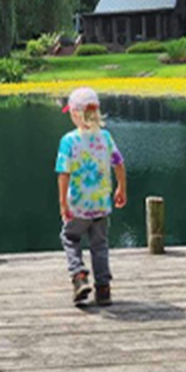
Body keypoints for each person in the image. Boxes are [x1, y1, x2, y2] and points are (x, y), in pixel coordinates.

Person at [55, 86, 127, 306]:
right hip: (101, 205)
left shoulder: (69, 140)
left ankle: (79, 276)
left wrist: (62, 203)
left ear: (76, 114)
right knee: (100, 245)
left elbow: (64, 173)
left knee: (70, 238)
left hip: (78, 205)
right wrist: (121, 188)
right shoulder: (105, 137)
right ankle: (103, 289)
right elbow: (119, 163)